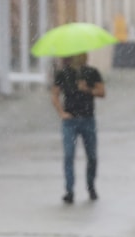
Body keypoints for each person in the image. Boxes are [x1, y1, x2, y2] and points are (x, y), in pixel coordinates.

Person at [50, 52, 105, 204]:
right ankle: (69, 190)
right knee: (69, 155)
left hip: (88, 119)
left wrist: (87, 89)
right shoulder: (63, 73)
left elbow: (102, 92)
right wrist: (61, 112)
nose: (83, 58)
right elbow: (54, 94)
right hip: (70, 121)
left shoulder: (92, 73)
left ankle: (91, 186)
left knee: (92, 156)